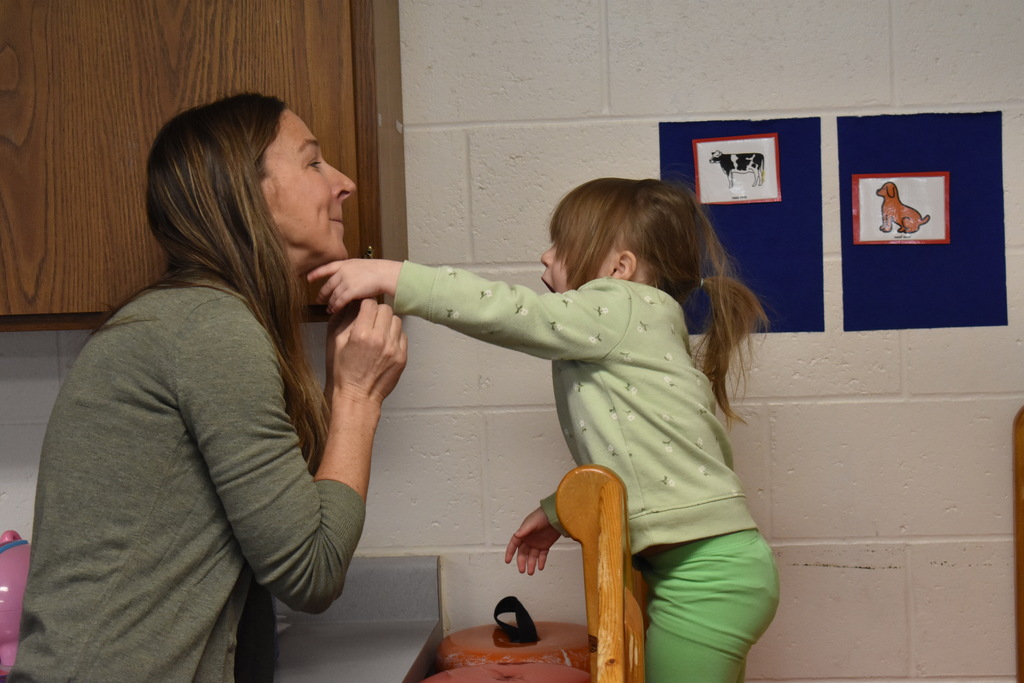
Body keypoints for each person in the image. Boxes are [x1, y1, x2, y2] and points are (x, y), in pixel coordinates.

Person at [309, 177, 780, 682]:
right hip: (710, 572)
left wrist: (397, 278)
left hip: (706, 580)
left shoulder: (620, 305)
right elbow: (646, 464)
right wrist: (559, 512)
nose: (545, 256)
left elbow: (515, 311)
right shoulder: (642, 331)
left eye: (562, 245)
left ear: (619, 269)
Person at [11, 94, 407, 681]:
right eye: (314, 162)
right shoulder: (208, 328)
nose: (343, 183)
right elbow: (311, 571)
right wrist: (356, 399)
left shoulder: (199, 322)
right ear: (249, 194)